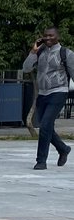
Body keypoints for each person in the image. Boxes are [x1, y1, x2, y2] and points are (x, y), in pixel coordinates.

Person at [23, 26, 74, 170]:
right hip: (42, 94)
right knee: (46, 127)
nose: (48, 38)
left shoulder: (66, 54)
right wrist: (33, 51)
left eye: (51, 35)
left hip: (58, 92)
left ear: (57, 36)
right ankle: (63, 149)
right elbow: (26, 68)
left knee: (45, 125)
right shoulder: (40, 52)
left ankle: (41, 161)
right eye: (46, 36)